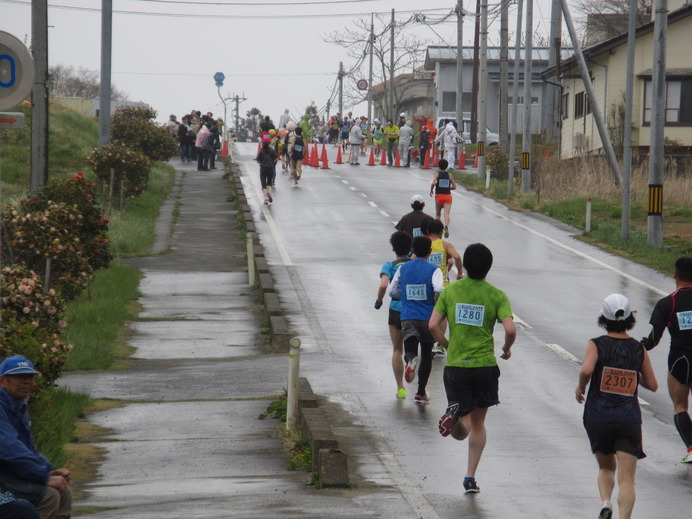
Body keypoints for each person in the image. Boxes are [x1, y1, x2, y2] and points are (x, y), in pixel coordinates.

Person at [429, 243, 516, 494]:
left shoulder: (451, 291)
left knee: (461, 431)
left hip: (456, 366)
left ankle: (454, 417)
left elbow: (433, 325)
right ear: (489, 267)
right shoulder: (497, 295)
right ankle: (470, 477)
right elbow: (510, 329)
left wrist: (447, 346)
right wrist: (507, 348)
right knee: (478, 424)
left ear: (464, 265)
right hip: (484, 367)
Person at [576, 294, 658, 519]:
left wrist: (581, 387)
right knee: (627, 479)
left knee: (605, 467)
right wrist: (632, 373)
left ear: (604, 317)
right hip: (628, 418)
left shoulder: (596, 344)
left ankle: (605, 503)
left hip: (598, 416)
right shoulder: (638, 349)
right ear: (630, 317)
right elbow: (652, 384)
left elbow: (586, 370)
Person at [0, 355, 72, 519]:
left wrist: (49, 470)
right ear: (3, 381)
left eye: (29, 377)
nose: (26, 381)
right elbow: (10, 449)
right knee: (49, 495)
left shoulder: (18, 404)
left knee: (63, 489)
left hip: (13, 476)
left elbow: (28, 448)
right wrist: (44, 477)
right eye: (19, 377)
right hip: (3, 480)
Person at [641, 256, 692, 464]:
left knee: (680, 406)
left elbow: (655, 337)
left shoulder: (668, 303)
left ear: (675, 275)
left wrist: (642, 346)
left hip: (680, 360)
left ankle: (691, 448)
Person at [389, 236, 444, 404]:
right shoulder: (434, 269)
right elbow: (439, 289)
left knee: (410, 349)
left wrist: (405, 296)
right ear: (429, 251)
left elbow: (392, 291)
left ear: (412, 250)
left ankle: (411, 360)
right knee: (426, 355)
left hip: (408, 316)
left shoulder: (403, 268)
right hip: (427, 316)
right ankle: (420, 393)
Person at [375, 231, 413, 399]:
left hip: (397, 309)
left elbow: (384, 285)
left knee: (397, 349)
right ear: (410, 247)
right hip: (414, 310)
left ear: (393, 248)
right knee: (413, 345)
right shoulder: (415, 263)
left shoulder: (389, 266)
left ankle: (400, 388)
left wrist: (379, 301)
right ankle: (411, 360)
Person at [429, 158, 457, 238]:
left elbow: (433, 183)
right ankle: (446, 226)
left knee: (438, 214)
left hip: (439, 196)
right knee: (446, 214)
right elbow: (454, 187)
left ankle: (436, 230)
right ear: (446, 166)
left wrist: (431, 190)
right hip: (448, 196)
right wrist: (448, 188)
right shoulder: (449, 175)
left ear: (439, 166)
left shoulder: (437, 174)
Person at [256, 136, 277, 205]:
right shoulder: (272, 150)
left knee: (263, 184)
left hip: (263, 168)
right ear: (269, 143)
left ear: (262, 143)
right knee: (269, 183)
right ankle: (269, 193)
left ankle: (265, 197)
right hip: (270, 168)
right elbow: (275, 158)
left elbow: (258, 159)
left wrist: (260, 161)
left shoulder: (261, 151)